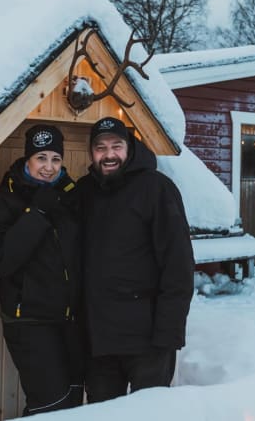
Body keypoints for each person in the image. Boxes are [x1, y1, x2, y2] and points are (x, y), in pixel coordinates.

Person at [77, 116, 195, 403]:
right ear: (92, 153)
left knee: (148, 413)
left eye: (116, 146)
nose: (108, 155)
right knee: (102, 414)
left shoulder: (157, 189)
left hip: (148, 339)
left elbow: (178, 266)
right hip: (99, 339)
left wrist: (169, 333)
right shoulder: (84, 192)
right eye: (100, 147)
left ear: (129, 148)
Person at [0, 124, 84, 416]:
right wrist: (37, 213)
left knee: (73, 402)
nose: (49, 168)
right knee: (49, 406)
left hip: (70, 319)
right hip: (29, 320)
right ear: (28, 159)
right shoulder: (8, 197)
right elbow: (2, 259)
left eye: (55, 158)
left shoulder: (71, 194)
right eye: (41, 158)